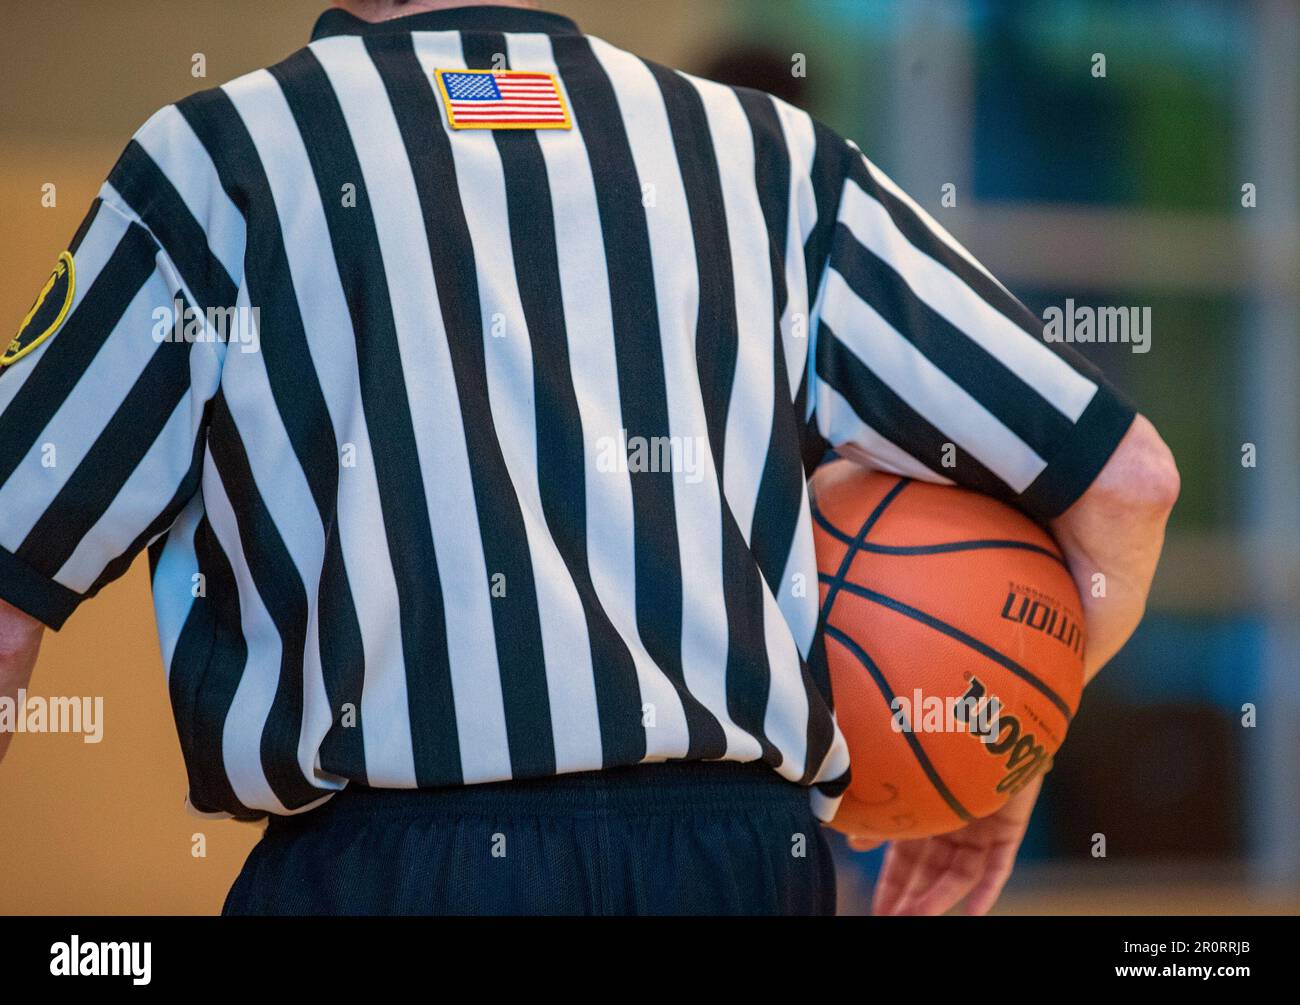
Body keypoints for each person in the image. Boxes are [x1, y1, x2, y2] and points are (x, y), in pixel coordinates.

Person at [0, 0, 1178, 915]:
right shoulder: (768, 157)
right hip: (740, 869)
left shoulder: (226, 161)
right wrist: (990, 754)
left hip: (396, 874)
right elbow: (1125, 481)